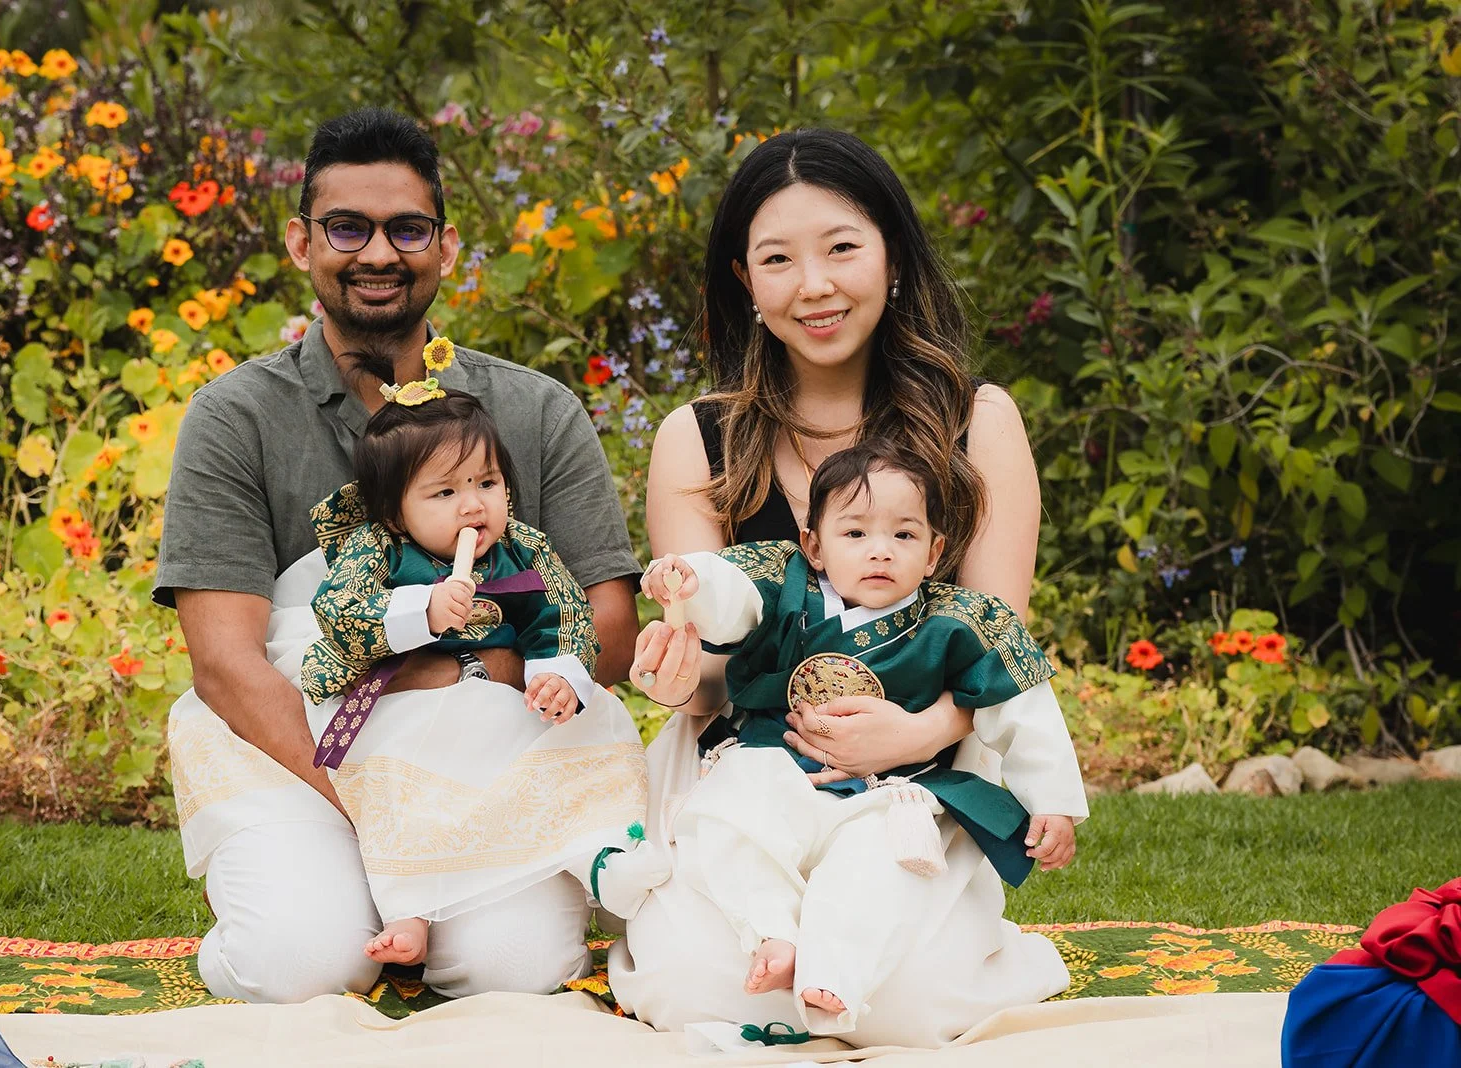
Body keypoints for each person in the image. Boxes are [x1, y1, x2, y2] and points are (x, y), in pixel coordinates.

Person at [154, 107, 640, 1004]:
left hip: (487, 756)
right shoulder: (235, 417)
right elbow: (225, 662)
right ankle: (307, 912)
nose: (378, 252)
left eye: (406, 229)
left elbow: (606, 625)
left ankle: (430, 918)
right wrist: (377, 804)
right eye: (347, 227)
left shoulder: (534, 412)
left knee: (513, 973)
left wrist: (462, 706)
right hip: (301, 759)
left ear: (446, 248)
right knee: (298, 966)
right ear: (302, 243)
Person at [606, 127, 1067, 1048]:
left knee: (900, 1008)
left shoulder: (979, 424)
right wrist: (675, 673)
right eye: (778, 259)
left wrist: (918, 731)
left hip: (919, 780)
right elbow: (706, 676)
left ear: (892, 254)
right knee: (714, 986)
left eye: (842, 248)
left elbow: (996, 655)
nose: (813, 285)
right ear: (746, 280)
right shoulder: (699, 440)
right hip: (746, 773)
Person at [632, 440, 1086, 1035]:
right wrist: (693, 581)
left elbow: (1022, 703)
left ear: (934, 552)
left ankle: (834, 977)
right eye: (855, 535)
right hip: (775, 765)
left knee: (876, 868)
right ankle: (772, 931)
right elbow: (732, 592)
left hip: (889, 793)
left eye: (903, 535)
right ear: (814, 545)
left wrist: (1052, 802)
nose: (880, 551)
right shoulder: (785, 586)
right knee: (725, 811)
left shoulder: (958, 621)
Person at [293, 361, 645, 968]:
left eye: (487, 483)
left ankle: (601, 852)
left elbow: (560, 614)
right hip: (401, 708)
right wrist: (420, 611)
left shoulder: (523, 550)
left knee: (591, 738)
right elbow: (340, 612)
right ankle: (409, 907)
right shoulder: (379, 548)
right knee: (408, 797)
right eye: (445, 492)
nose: (473, 507)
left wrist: (557, 672)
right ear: (397, 513)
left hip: (501, 708)